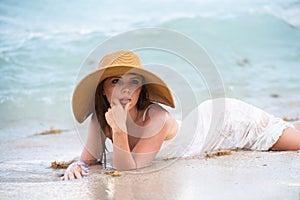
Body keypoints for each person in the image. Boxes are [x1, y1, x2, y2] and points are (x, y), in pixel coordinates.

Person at [63, 50, 300, 180]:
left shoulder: (157, 118)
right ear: (103, 90)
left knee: (295, 143)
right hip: (207, 126)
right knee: (290, 133)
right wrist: (77, 165)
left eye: (133, 81)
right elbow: (89, 158)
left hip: (225, 122)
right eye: (116, 81)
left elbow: (130, 170)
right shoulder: (100, 117)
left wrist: (119, 129)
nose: (125, 88)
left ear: (141, 89)